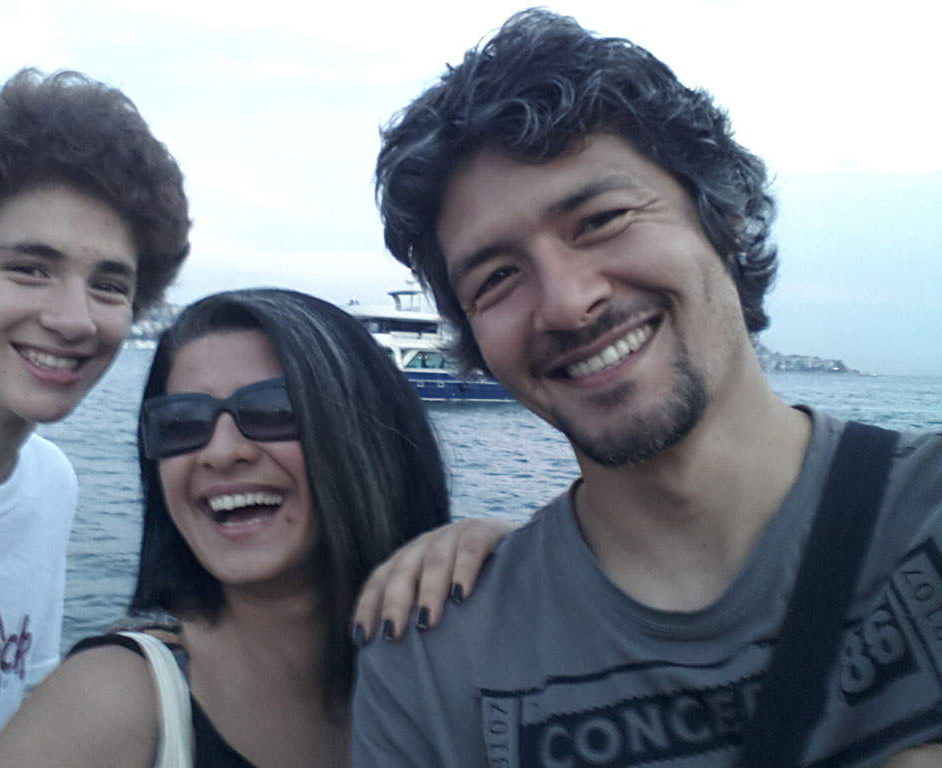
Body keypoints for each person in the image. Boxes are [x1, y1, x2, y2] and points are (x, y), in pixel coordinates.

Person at [350, 9, 942, 767]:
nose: (566, 302)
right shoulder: (433, 669)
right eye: (497, 278)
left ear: (724, 218)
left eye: (602, 219)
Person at [0, 287, 465, 767]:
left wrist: (499, 558)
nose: (221, 452)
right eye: (180, 422)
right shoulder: (108, 704)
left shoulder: (461, 661)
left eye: (274, 410)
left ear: (366, 430)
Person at [0, 68, 190, 767]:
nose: (75, 319)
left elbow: (21, 691)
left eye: (109, 285)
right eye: (30, 269)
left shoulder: (50, 483)